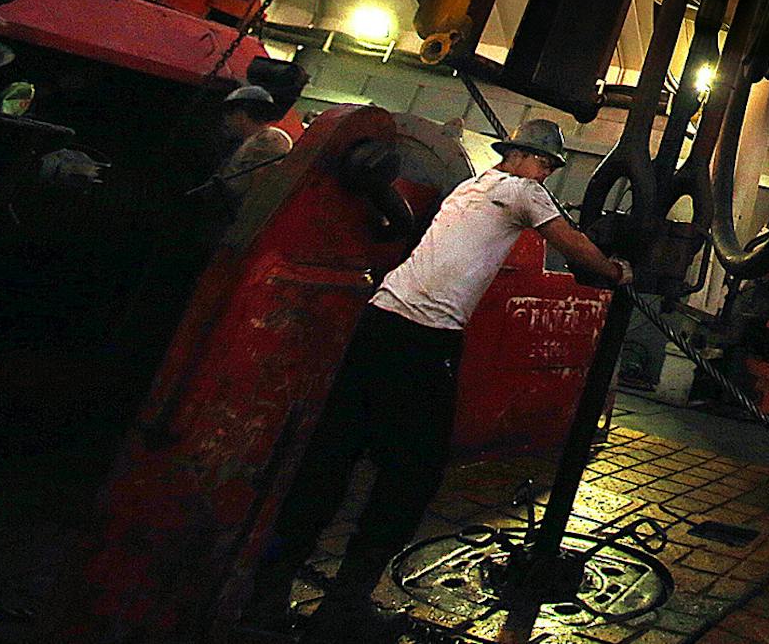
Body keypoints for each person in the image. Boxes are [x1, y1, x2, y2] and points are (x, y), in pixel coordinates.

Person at [239, 118, 629, 640]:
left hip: (376, 322)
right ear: (527, 159)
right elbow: (574, 247)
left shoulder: (471, 188)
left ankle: (263, 596)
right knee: (413, 474)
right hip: (424, 337)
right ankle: (345, 607)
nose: (547, 174)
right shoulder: (522, 191)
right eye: (548, 165)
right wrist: (616, 272)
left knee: (333, 457)